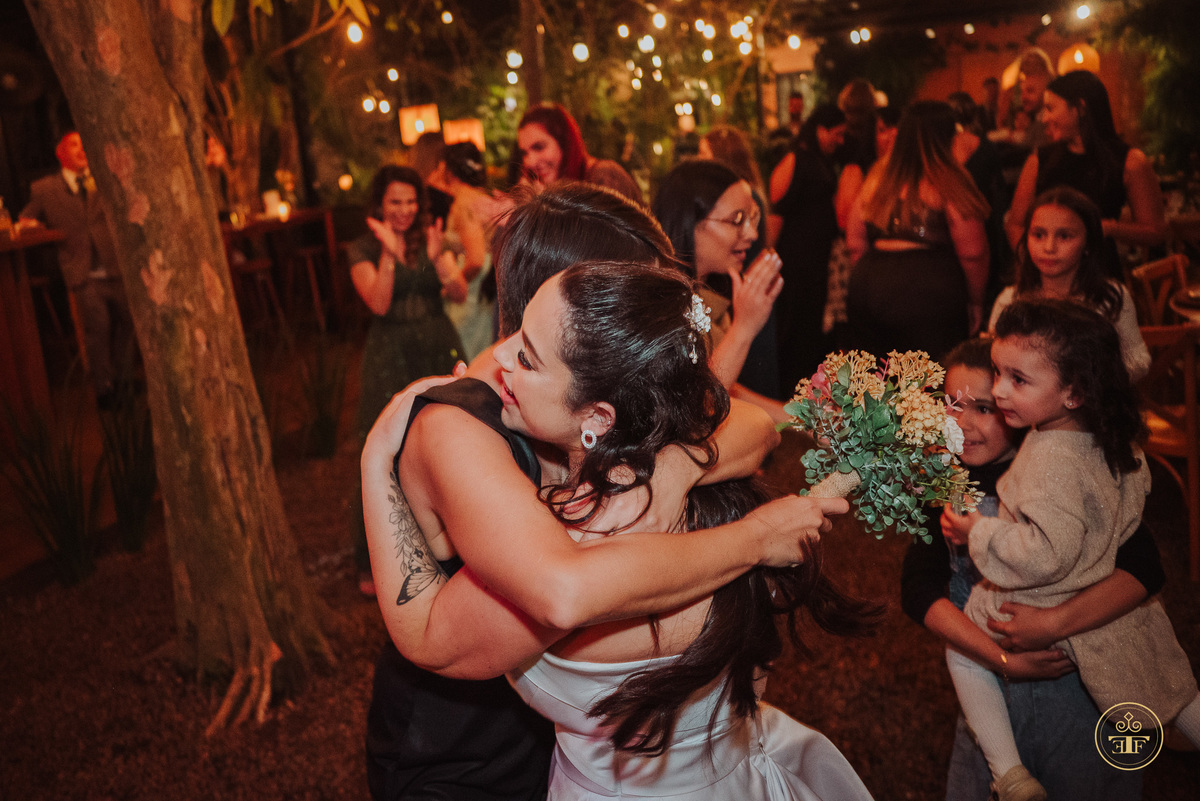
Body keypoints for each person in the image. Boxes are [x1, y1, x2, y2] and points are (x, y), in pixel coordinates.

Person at [361, 183, 848, 800]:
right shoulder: (464, 425)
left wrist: (672, 469)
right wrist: (375, 464)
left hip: (579, 732)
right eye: (629, 288)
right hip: (463, 743)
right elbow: (554, 593)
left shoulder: (597, 392)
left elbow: (745, 424)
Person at [942, 299, 1200, 801]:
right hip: (1103, 591)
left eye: (1017, 380)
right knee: (1166, 667)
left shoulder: (1048, 460)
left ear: (1074, 391)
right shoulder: (1104, 438)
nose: (998, 390)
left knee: (965, 651)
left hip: (1041, 599)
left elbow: (1045, 555)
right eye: (998, 372)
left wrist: (979, 531)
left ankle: (1009, 771)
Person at [901, 336, 1162, 800]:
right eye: (950, 405)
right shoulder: (942, 480)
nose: (960, 424)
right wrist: (1000, 659)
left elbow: (1145, 569)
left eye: (983, 408)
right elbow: (918, 590)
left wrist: (1050, 623)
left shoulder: (1057, 475)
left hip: (1077, 694)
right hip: (988, 692)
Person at [348, 165, 466, 595]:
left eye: (410, 201)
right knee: (385, 450)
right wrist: (387, 252)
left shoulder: (432, 238)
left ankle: (448, 546)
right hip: (390, 354)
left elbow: (459, 294)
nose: (403, 209)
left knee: (448, 441)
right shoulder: (363, 247)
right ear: (380, 203)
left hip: (436, 345)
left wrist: (438, 261)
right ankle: (378, 560)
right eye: (395, 201)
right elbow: (378, 303)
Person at [846, 100, 990, 360]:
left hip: (868, 283)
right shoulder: (949, 178)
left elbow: (855, 239)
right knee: (927, 384)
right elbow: (973, 252)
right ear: (947, 135)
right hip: (927, 290)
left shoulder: (879, 175)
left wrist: (875, 281)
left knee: (871, 382)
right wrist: (976, 302)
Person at [653, 160, 787, 422]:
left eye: (752, 218)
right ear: (690, 221)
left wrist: (806, 418)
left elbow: (731, 390)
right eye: (736, 219)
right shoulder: (663, 307)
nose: (750, 233)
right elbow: (702, 402)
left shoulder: (709, 295)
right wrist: (744, 327)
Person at [1004, 70, 1167, 270]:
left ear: (1080, 109)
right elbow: (1015, 224)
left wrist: (1110, 228)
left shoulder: (1129, 161)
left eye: (1050, 108)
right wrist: (1035, 266)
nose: (1045, 118)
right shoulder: (1040, 159)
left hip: (1100, 275)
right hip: (1047, 280)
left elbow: (1156, 231)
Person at [19, 131, 133, 405]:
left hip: (115, 266)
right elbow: (25, 219)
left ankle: (124, 380)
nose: (82, 150)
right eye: (74, 145)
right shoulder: (45, 189)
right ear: (60, 153)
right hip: (83, 272)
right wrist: (32, 226)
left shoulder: (104, 179)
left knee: (129, 324)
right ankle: (104, 389)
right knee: (98, 329)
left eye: (84, 145)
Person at [990, 187, 1150, 380]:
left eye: (1064, 236)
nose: (1049, 247)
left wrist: (1094, 378)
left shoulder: (1110, 297)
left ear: (1088, 244)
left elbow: (1140, 360)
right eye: (1038, 235)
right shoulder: (1010, 300)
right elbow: (995, 367)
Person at [698, 125, 781, 399]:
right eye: (737, 221)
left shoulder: (744, 195)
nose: (751, 232)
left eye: (704, 154)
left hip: (746, 297)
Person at [769, 103, 845, 387]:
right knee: (796, 325)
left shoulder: (822, 161)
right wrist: (768, 255)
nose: (840, 141)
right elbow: (777, 209)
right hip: (796, 261)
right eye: (835, 134)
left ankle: (811, 388)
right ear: (820, 130)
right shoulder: (795, 159)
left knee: (813, 326)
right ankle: (793, 387)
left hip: (816, 261)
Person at [440, 141, 510, 361]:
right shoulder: (484, 198)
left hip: (472, 291)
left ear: (447, 169)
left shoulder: (463, 204)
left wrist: (451, 285)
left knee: (467, 355)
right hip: (489, 285)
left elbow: (477, 259)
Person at [517, 103, 642, 204]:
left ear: (564, 142)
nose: (530, 161)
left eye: (539, 147)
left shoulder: (604, 175)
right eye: (524, 153)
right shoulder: (550, 187)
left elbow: (604, 234)